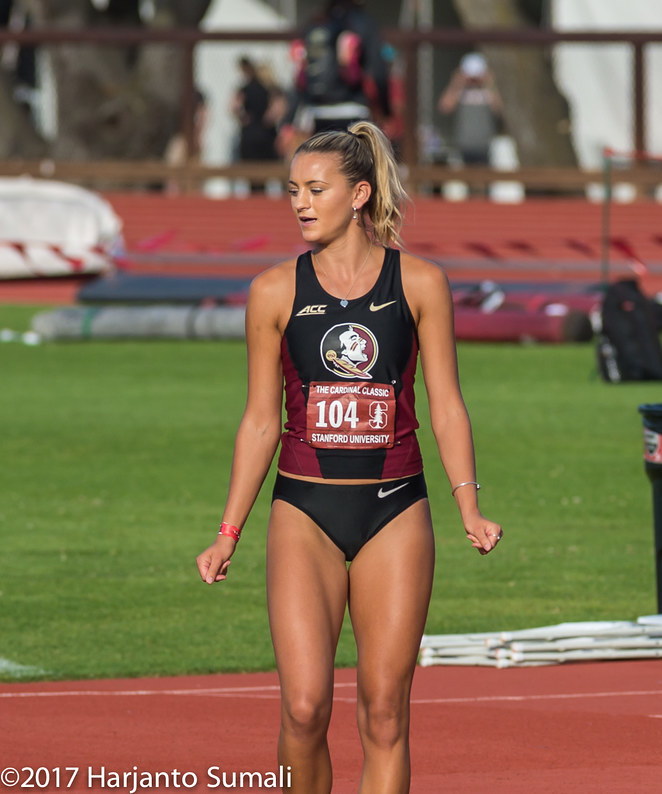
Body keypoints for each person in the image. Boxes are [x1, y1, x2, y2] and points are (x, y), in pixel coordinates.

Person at [195, 121, 502, 794]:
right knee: (304, 709)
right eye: (292, 190)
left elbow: (446, 404)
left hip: (395, 510)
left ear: (360, 194)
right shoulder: (273, 291)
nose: (300, 203)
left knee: (386, 713)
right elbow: (259, 421)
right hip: (305, 511)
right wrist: (227, 532)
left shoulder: (420, 283)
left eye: (315, 188)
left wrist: (468, 505)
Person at [289, 0, 393, 137]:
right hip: (353, 109)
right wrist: (386, 112)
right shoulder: (363, 23)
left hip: (316, 110)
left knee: (324, 155)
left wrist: (289, 118)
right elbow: (379, 73)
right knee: (352, 157)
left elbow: (301, 74)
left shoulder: (314, 24)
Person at [437, 52, 503, 166]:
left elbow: (499, 110)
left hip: (484, 146)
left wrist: (490, 83)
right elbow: (445, 107)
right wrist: (456, 83)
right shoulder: (459, 91)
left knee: (484, 178)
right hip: (463, 145)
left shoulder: (488, 91)